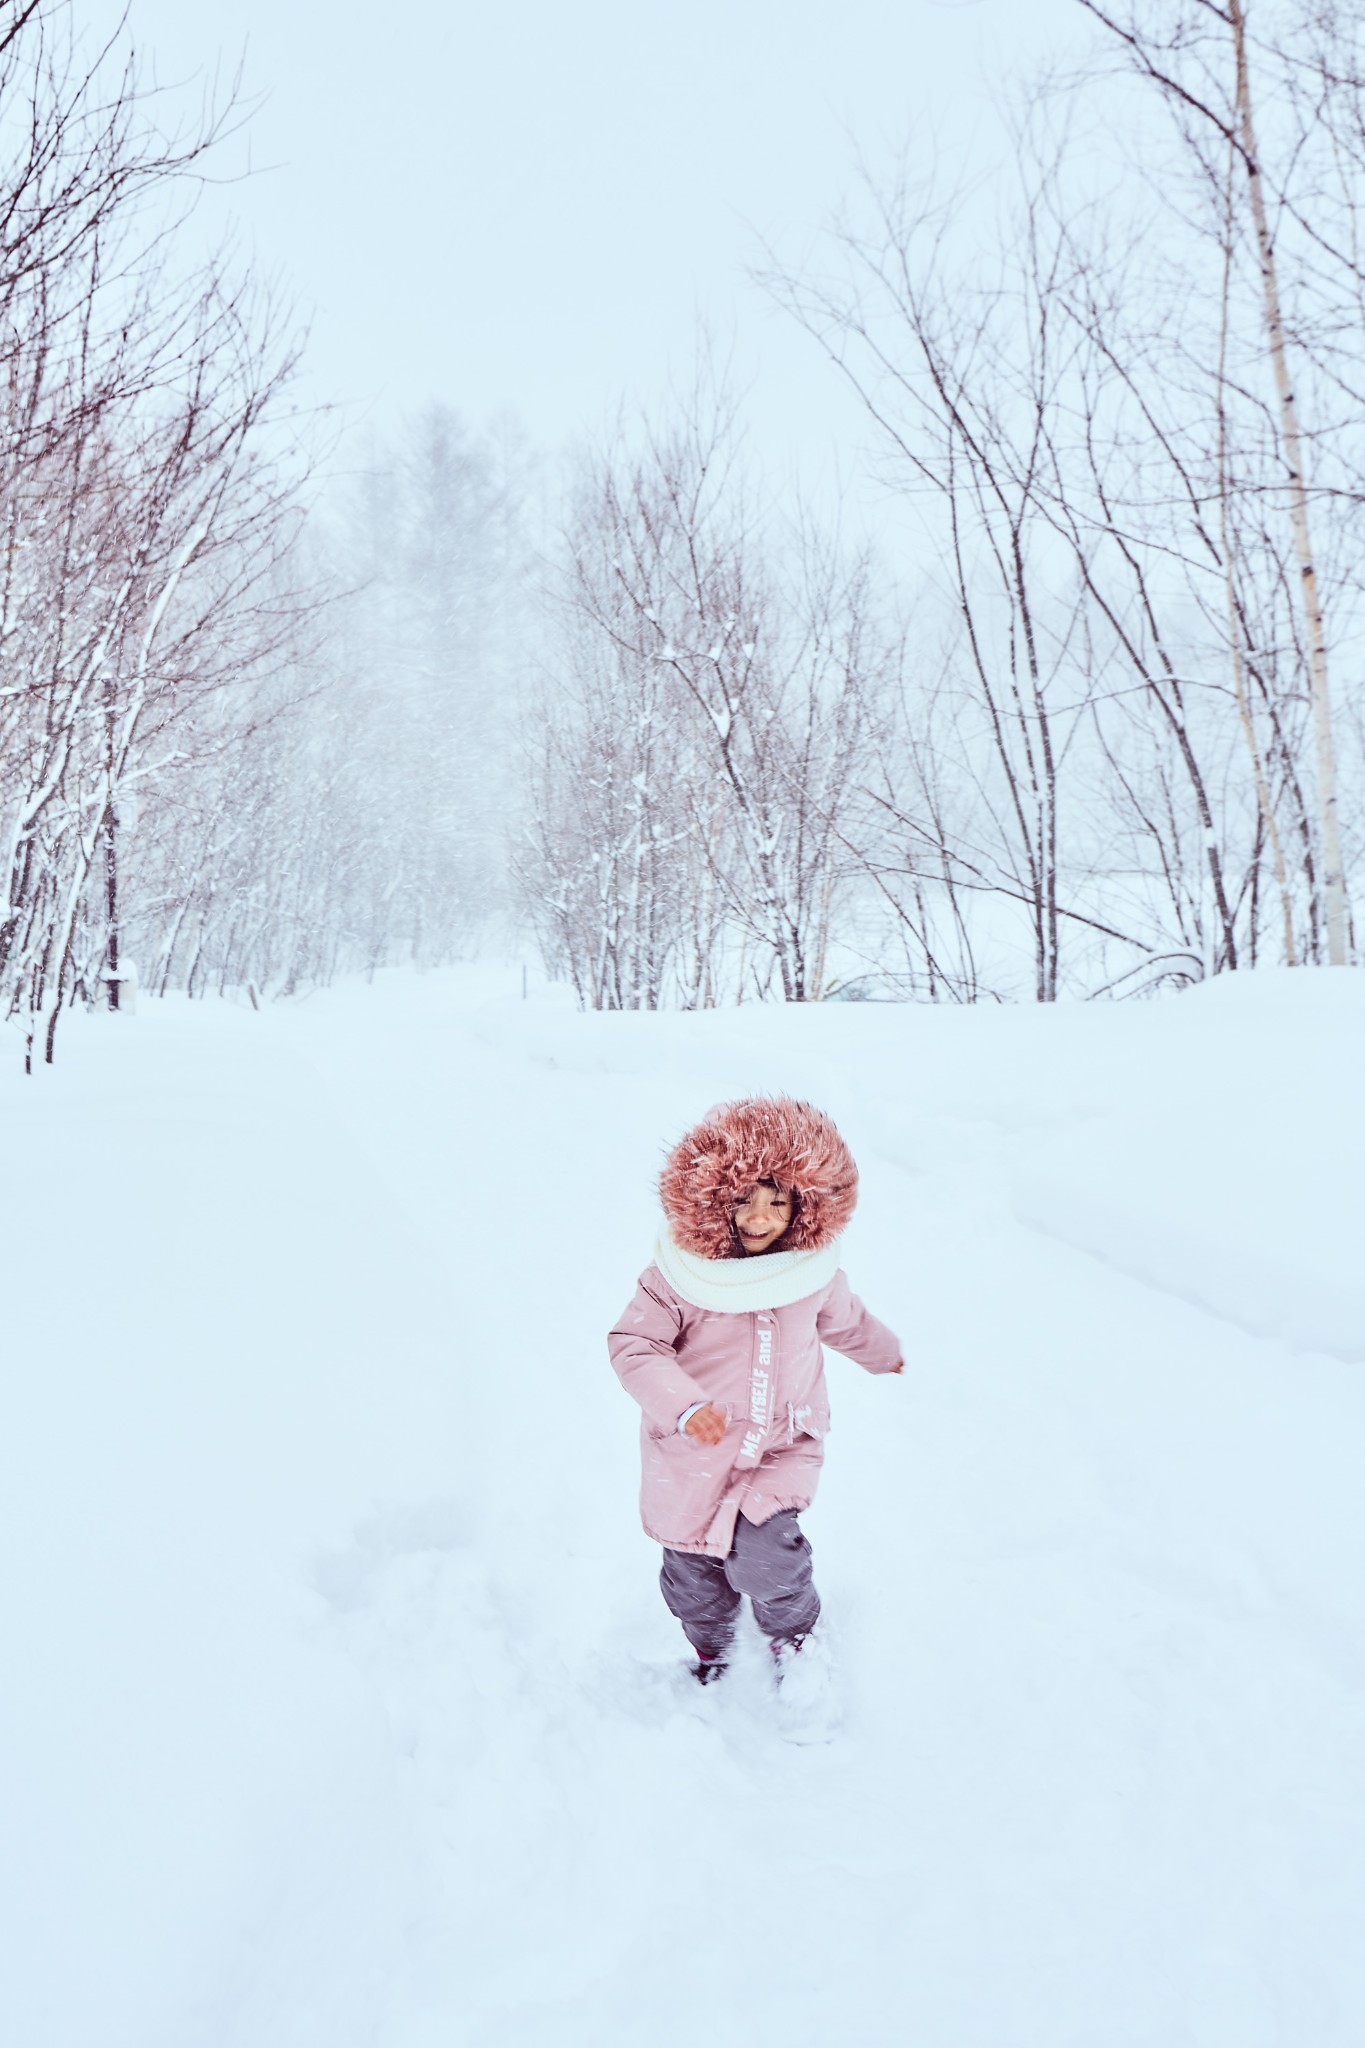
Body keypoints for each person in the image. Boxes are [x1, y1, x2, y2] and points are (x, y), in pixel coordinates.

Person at [607, 1097, 902, 1723]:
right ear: (714, 1200)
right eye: (743, 1200)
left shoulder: (811, 1275)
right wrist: (685, 1406)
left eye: (778, 1200)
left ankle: (796, 1641)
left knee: (769, 1556)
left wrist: (889, 1355)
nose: (760, 1216)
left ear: (804, 1204)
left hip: (779, 1446)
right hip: (692, 1455)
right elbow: (635, 1343)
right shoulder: (679, 1277)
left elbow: (847, 1324)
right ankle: (713, 1651)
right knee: (690, 1576)